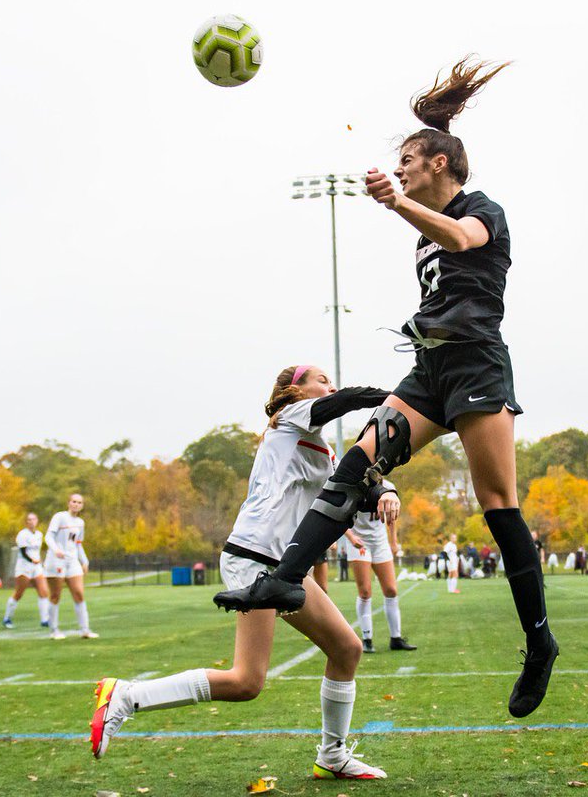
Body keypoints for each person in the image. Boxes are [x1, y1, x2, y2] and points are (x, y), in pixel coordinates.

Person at [213, 58, 556, 718]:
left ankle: (539, 643)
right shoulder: (417, 220)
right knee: (357, 461)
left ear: (440, 163)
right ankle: (286, 577)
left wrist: (396, 202)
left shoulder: (481, 209)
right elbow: (433, 238)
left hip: (478, 365)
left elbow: (460, 237)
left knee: (496, 502)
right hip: (430, 369)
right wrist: (400, 205)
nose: (399, 168)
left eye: (408, 159)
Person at [90, 365, 393, 778]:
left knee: (347, 650)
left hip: (284, 563)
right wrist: (400, 399)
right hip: (253, 556)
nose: (330, 386)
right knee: (246, 681)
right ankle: (126, 695)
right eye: (321, 379)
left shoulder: (318, 443)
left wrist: (383, 490)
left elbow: (354, 482)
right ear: (295, 390)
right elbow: (346, 400)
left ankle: (332, 755)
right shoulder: (291, 418)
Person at [340, 494, 417, 653]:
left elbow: (392, 517)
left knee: (391, 590)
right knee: (365, 592)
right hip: (359, 543)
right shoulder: (354, 484)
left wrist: (394, 541)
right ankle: (367, 639)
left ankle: (396, 638)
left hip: (380, 542)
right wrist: (351, 536)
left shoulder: (387, 488)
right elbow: (339, 514)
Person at [44, 494, 97, 640]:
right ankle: (54, 630)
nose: (76, 504)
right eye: (74, 501)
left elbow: (78, 544)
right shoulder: (59, 517)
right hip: (56, 561)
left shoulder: (80, 522)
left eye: (79, 502)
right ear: (68, 503)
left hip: (72, 561)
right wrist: (56, 550)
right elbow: (48, 537)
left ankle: (85, 630)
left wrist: (84, 561)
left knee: (79, 593)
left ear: (82, 505)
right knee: (55, 595)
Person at [2, 512, 50, 629]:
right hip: (24, 567)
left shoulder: (39, 534)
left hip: (36, 567)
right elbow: (23, 552)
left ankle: (45, 620)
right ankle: (7, 618)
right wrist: (32, 560)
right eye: (29, 520)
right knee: (19, 593)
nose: (32, 522)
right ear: (26, 522)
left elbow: (37, 551)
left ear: (37, 521)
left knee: (43, 591)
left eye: (34, 519)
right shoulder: (23, 535)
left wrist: (39, 561)